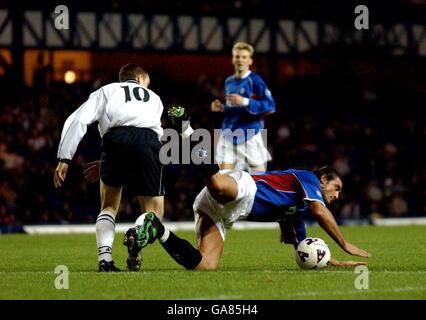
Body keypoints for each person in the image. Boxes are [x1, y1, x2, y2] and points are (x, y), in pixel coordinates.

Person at [130, 106, 371, 271]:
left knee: (206, 265)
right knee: (217, 188)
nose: (337, 195)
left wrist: (330, 260)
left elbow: (303, 247)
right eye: (336, 187)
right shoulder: (307, 177)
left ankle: (157, 230)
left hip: (224, 212)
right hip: (244, 187)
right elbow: (319, 212)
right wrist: (344, 244)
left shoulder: (296, 213)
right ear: (322, 181)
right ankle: (186, 129)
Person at [54, 63, 165, 272]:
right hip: (149, 142)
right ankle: (137, 234)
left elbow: (79, 119)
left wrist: (65, 157)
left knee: (109, 206)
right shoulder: (155, 98)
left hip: (115, 141)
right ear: (140, 79)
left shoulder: (107, 90)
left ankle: (105, 259)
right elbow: (151, 134)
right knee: (154, 213)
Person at [211, 42, 275, 173]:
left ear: (250, 60)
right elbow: (233, 107)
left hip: (249, 134)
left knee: (259, 180)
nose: (240, 59)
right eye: (237, 56)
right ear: (233, 59)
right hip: (228, 133)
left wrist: (245, 101)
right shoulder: (229, 81)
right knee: (223, 178)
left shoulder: (255, 80)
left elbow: (270, 106)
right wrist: (222, 108)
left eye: (244, 57)